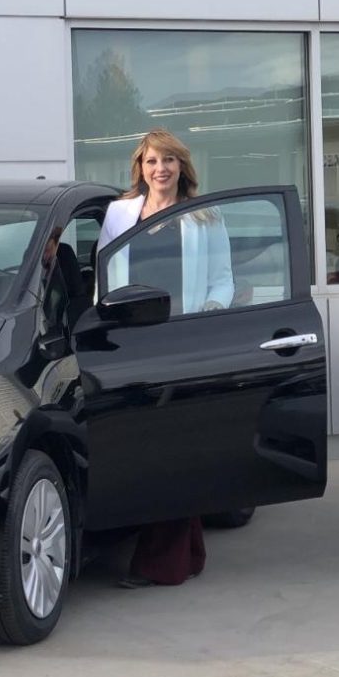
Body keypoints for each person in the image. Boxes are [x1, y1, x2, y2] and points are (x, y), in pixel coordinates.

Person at [96, 128, 234, 589]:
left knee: (174, 446)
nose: (162, 169)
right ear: (141, 167)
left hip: (182, 339)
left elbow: (222, 280)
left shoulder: (206, 217)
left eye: (170, 160)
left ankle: (163, 564)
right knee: (145, 444)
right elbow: (105, 278)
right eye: (153, 161)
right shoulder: (118, 214)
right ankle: (188, 553)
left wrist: (208, 316)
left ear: (182, 167)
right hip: (134, 340)